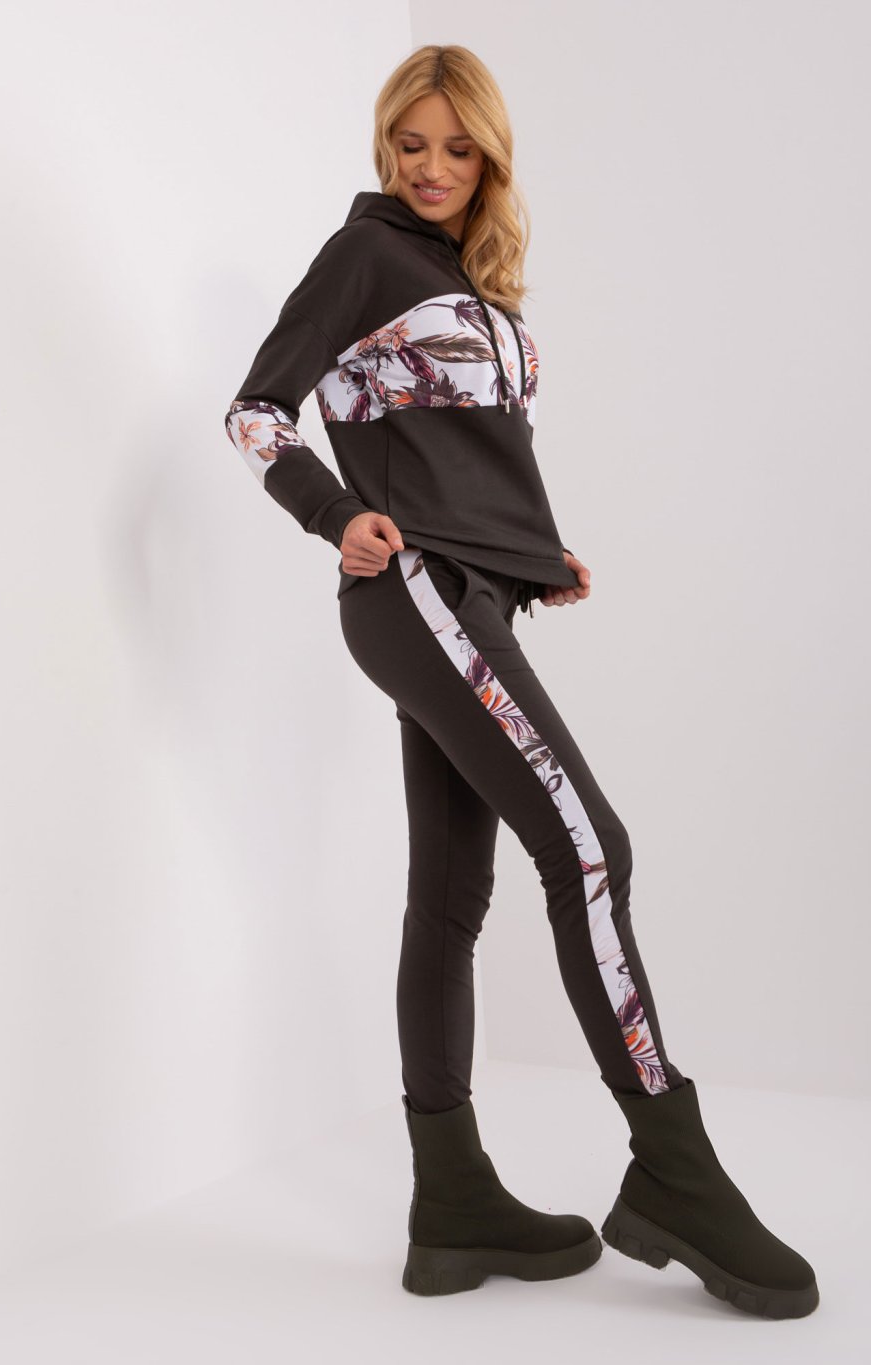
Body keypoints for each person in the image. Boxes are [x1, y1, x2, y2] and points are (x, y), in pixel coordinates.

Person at [223, 44, 818, 1319]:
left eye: (457, 147)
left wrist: (533, 559)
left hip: (472, 592)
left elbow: (464, 452)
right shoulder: (365, 254)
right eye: (410, 144)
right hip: (413, 589)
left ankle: (451, 1205)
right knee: (590, 851)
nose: (431, 167)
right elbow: (257, 412)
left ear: (490, 155)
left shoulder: (462, 276)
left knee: (451, 897)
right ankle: (673, 1166)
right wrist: (333, 515)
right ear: (384, 146)